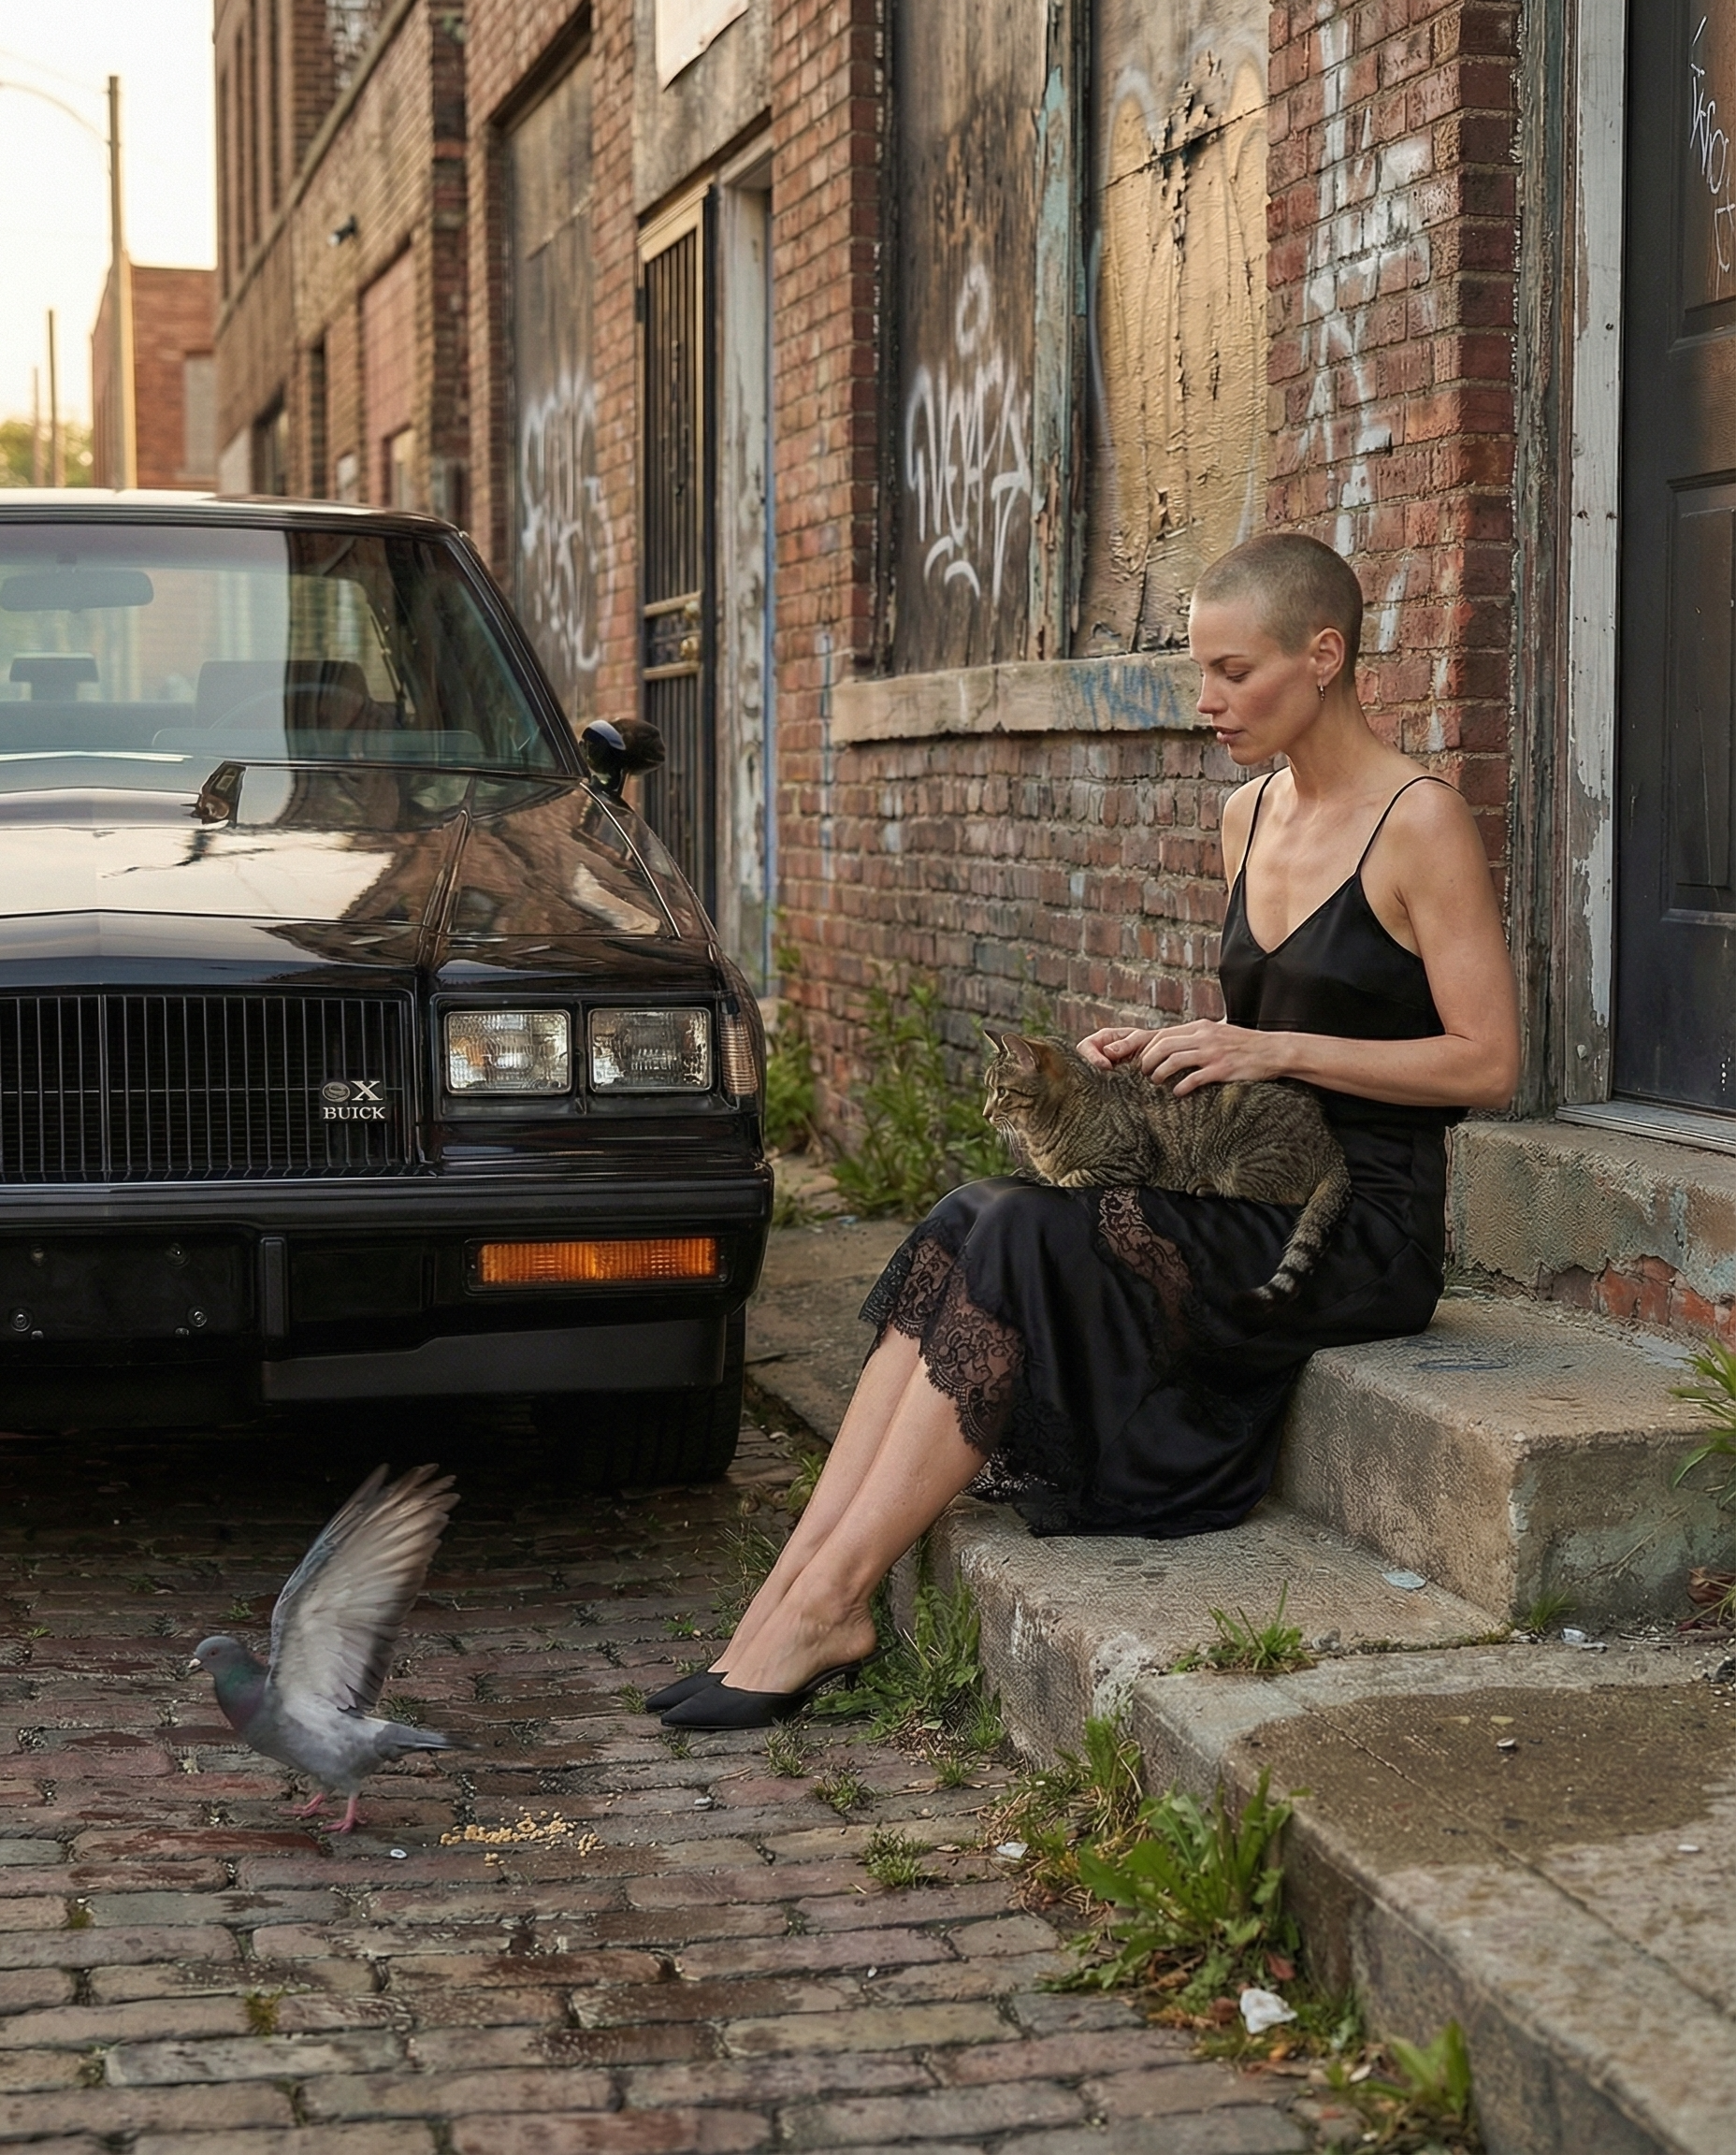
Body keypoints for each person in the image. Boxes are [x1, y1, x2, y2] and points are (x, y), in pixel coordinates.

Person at [656, 530, 1520, 1730]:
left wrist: (1268, 1048)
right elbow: (1260, 1044)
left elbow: (1486, 1060)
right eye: (1197, 673)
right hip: (1240, 1180)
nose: (1205, 702)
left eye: (1232, 671)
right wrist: (1164, 1056)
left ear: (1323, 656)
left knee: (1018, 1235)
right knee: (973, 1212)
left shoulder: (1418, 822)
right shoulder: (1246, 815)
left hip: (1355, 1222)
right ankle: (792, 1589)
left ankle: (828, 1602)